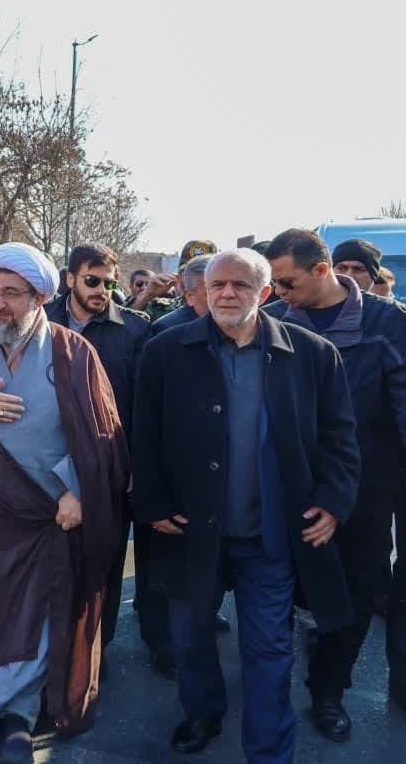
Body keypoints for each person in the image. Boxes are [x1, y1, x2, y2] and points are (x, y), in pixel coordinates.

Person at [132, 248, 359, 761]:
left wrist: (333, 500)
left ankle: (268, 750)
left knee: (269, 650)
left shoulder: (314, 354)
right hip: (191, 530)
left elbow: (341, 439)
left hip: (271, 535)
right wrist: (150, 502)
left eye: (240, 285)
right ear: (203, 292)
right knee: (189, 640)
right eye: (217, 286)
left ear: (264, 293)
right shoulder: (167, 351)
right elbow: (143, 435)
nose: (227, 294)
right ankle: (202, 714)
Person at [0, 242, 128, 762]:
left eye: (11, 294)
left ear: (39, 297)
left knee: (40, 616)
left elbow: (105, 437)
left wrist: (77, 491)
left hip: (51, 515)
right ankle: (12, 699)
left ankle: (12, 715)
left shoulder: (74, 353)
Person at [263, 229, 406, 740]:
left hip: (368, 491)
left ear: (324, 271)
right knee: (289, 590)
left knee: (360, 592)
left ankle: (329, 690)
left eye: (286, 281)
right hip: (291, 484)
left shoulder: (388, 324)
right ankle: (281, 675)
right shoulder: (274, 322)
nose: (277, 292)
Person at [44, 243, 159, 673]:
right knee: (48, 559)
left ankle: (96, 648)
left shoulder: (134, 330)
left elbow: (143, 408)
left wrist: (134, 467)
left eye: (110, 283)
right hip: (45, 466)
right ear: (70, 278)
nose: (102, 291)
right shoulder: (39, 320)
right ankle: (46, 645)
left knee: (104, 564)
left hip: (109, 469)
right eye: (92, 281)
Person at [150, 254, 212, 336]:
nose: (227, 294)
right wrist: (146, 295)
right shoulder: (167, 329)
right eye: (212, 289)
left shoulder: (230, 324)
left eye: (235, 285)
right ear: (190, 296)